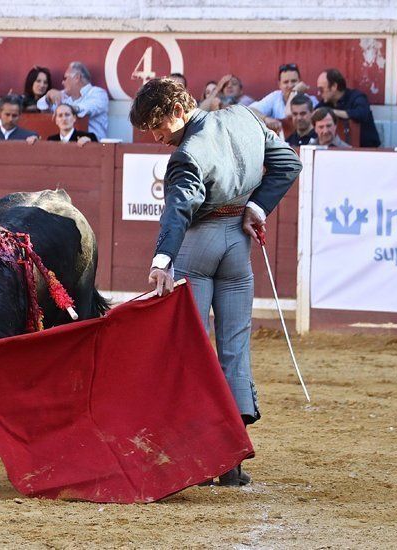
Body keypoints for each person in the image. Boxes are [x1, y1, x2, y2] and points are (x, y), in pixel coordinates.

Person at [129, 78, 302, 486]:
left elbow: (179, 211)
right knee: (234, 348)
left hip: (199, 248)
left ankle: (199, 455)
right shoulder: (245, 117)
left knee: (192, 351)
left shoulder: (187, 154)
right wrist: (256, 207)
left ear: (177, 110)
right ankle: (232, 461)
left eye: (158, 126)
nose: (156, 138)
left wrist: (162, 260)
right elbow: (288, 163)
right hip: (237, 247)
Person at [37, 61, 109, 139]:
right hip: (67, 145)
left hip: (94, 146)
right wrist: (48, 97)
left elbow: (85, 109)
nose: (62, 82)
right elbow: (41, 107)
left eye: (65, 78)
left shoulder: (98, 93)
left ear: (77, 78)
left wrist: (66, 109)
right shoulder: (65, 95)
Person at [316, 68, 380, 147]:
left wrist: (332, 112)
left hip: (366, 150)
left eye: (321, 89)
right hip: (336, 151)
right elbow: (313, 114)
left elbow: (361, 113)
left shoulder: (356, 97)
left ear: (334, 86)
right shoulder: (326, 102)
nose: (319, 93)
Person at [250, 63, 319, 132]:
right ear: (279, 85)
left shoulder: (310, 100)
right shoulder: (275, 96)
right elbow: (250, 110)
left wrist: (294, 92)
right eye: (286, 82)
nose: (290, 85)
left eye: (294, 81)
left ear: (300, 82)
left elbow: (288, 114)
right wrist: (265, 118)